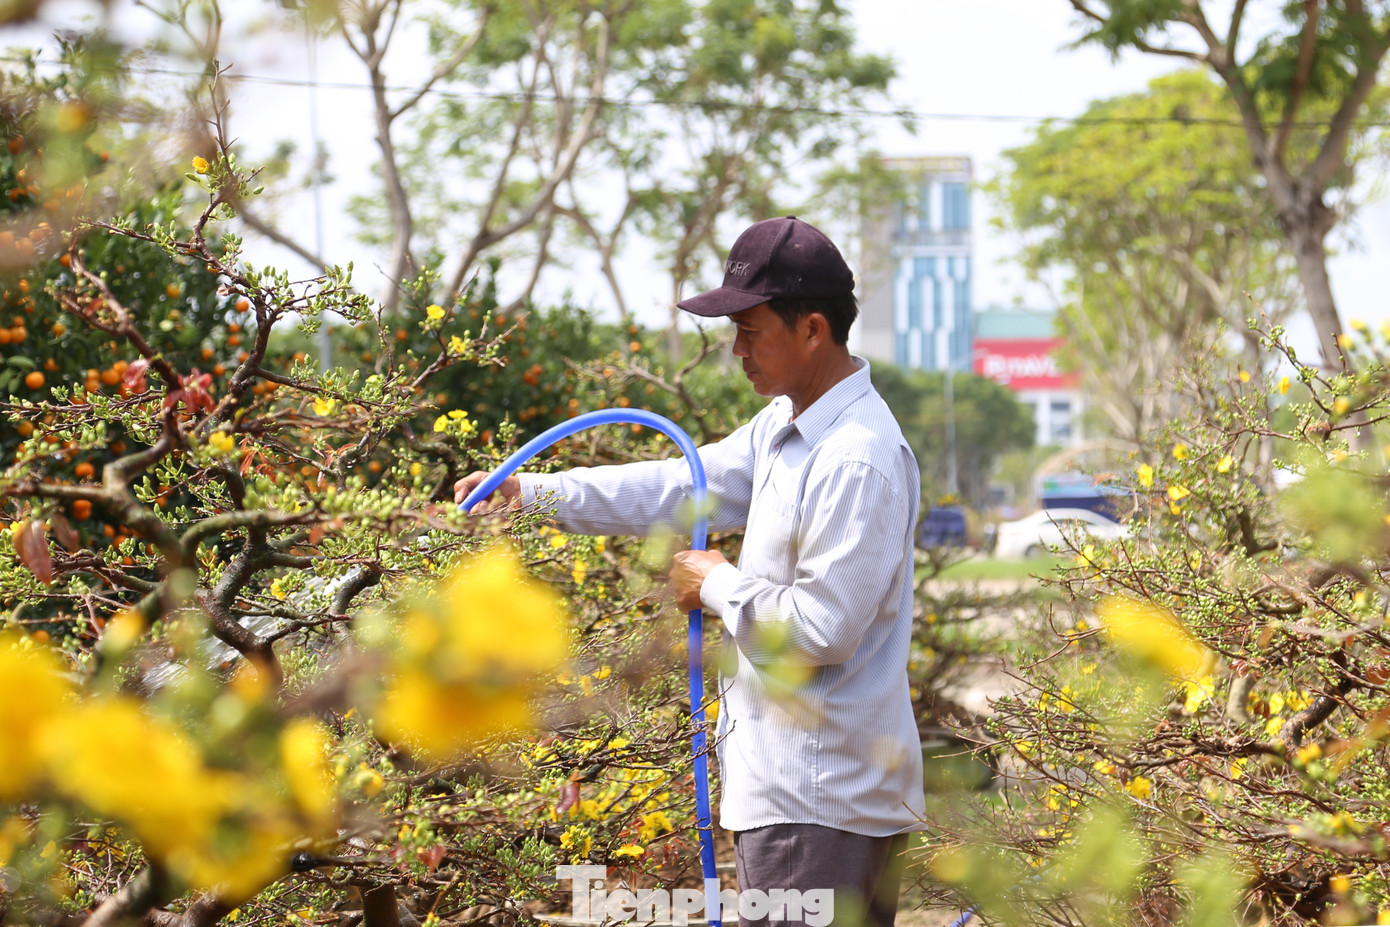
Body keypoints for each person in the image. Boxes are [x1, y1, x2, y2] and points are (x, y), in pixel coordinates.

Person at [454, 216, 924, 926]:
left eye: (751, 331)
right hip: (802, 799)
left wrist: (717, 583)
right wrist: (533, 494)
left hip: (819, 805)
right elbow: (682, 486)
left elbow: (824, 627)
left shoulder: (854, 456)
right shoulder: (784, 427)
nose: (737, 351)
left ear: (813, 330)